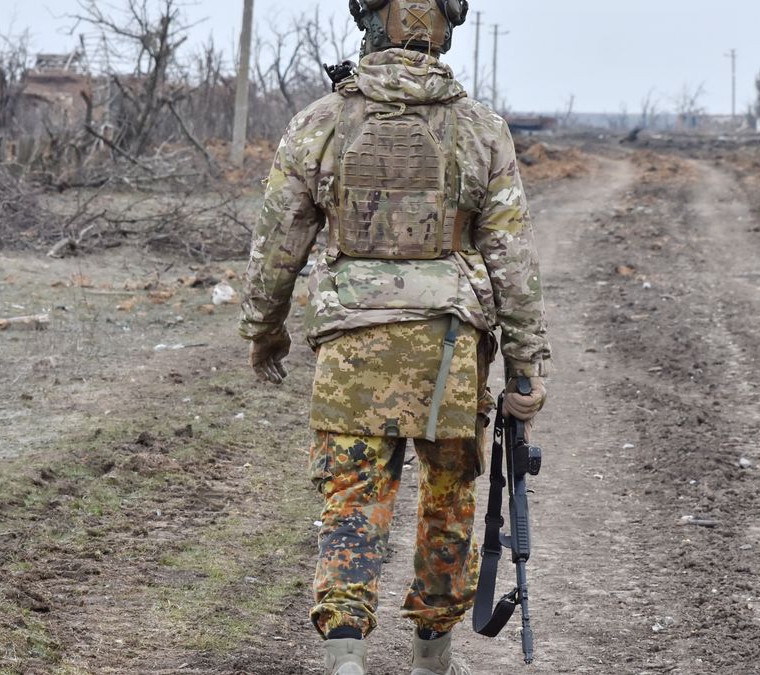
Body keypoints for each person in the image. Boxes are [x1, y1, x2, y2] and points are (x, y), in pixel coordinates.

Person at [239, 1, 549, 673]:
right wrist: (526, 370)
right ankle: (432, 656)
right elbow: (512, 263)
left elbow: (276, 248)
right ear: (445, 29)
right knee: (448, 504)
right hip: (448, 351)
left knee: (352, 501)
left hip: (353, 349)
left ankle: (346, 654)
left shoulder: (320, 123)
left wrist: (264, 332)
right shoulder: (480, 131)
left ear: (369, 22)